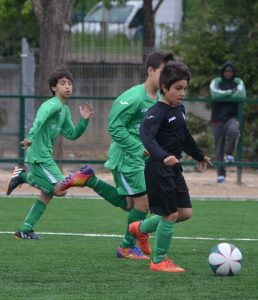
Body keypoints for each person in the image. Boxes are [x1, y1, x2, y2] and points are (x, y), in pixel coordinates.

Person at [58, 51, 175, 259]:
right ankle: (126, 246)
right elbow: (114, 127)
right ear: (150, 71)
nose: (168, 77)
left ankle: (89, 179)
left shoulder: (158, 98)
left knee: (131, 205)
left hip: (142, 159)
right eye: (164, 72)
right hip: (127, 159)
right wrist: (139, 149)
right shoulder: (133, 98)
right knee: (144, 204)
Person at [129, 61, 211, 272]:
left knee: (184, 213)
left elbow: (184, 137)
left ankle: (140, 228)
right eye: (178, 88)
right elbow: (146, 137)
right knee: (170, 214)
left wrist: (199, 155)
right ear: (165, 88)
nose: (182, 93)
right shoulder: (155, 112)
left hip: (174, 169)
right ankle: (158, 260)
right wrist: (163, 156)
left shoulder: (180, 109)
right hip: (158, 169)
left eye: (184, 88)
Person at [5, 66, 94, 239]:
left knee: (48, 194)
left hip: (44, 156)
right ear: (54, 88)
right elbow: (39, 119)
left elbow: (72, 134)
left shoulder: (64, 110)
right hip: (39, 157)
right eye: (62, 83)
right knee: (61, 190)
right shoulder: (51, 104)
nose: (68, 86)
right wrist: (30, 137)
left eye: (70, 83)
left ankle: (25, 228)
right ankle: (22, 176)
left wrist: (84, 121)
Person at [210, 61, 246, 183]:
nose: (228, 73)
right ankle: (221, 174)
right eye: (226, 71)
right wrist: (231, 93)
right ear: (222, 72)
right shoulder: (216, 82)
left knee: (234, 130)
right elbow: (215, 95)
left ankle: (230, 153)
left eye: (230, 71)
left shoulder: (238, 82)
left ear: (233, 72)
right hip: (217, 119)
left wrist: (225, 96)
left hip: (232, 117)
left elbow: (242, 95)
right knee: (218, 147)